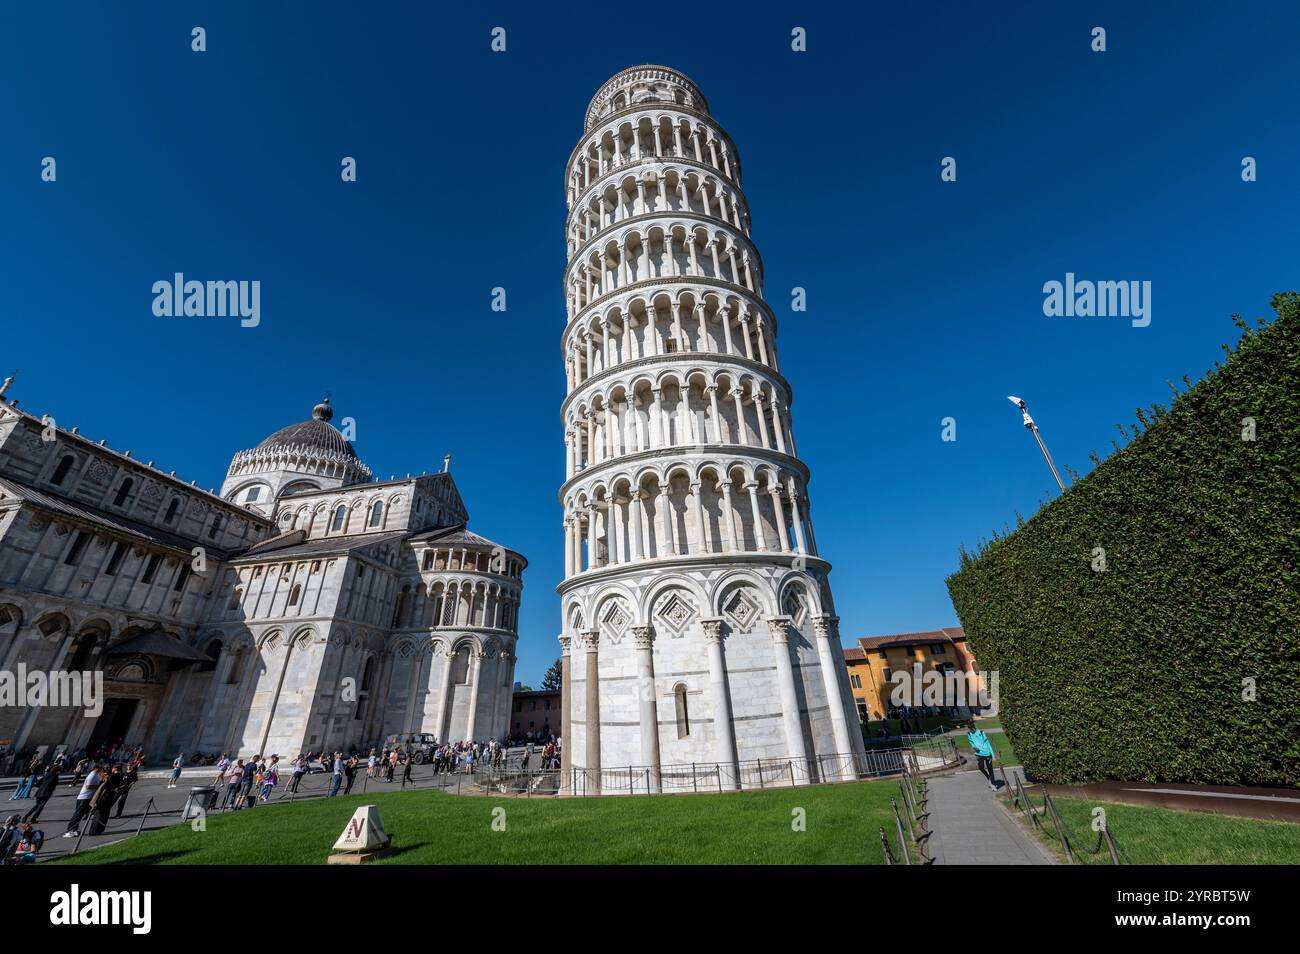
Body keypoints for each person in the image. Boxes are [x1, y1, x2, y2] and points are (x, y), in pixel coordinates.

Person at [62, 764, 101, 837]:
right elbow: (88, 786)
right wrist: (99, 786)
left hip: (87, 797)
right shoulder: (91, 775)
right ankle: (70, 830)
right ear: (96, 768)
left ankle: (74, 829)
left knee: (81, 814)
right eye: (100, 768)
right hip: (83, 798)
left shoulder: (96, 774)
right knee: (78, 814)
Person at [965, 722, 997, 791]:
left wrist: (993, 756)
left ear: (974, 728)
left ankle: (993, 785)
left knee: (990, 769)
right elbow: (971, 743)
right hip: (979, 754)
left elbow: (988, 744)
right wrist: (974, 747)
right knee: (980, 767)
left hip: (987, 753)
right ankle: (989, 777)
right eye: (969, 730)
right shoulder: (969, 734)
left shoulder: (981, 732)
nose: (970, 731)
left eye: (971, 729)